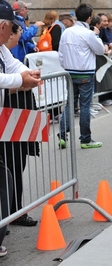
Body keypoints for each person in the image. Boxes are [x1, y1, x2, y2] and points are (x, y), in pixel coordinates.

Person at [0, 0, 42, 255]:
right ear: (3, 26)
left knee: (4, 178)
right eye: (11, 27)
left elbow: (14, 65)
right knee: (5, 179)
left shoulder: (1, 48)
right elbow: (11, 76)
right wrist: (20, 79)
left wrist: (30, 74)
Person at [58, 3, 108, 149]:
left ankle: (62, 135)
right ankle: (85, 139)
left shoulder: (67, 32)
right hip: (85, 72)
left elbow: (60, 54)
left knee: (70, 104)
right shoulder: (88, 33)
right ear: (89, 18)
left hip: (70, 72)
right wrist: (97, 35)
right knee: (85, 106)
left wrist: (66, 67)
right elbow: (100, 50)